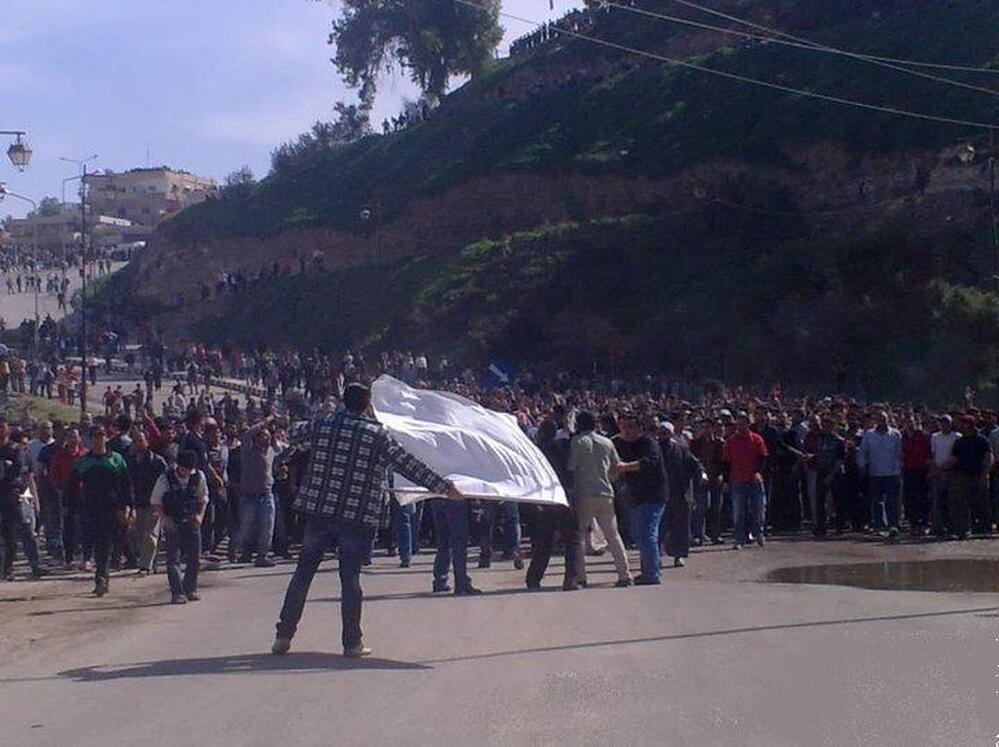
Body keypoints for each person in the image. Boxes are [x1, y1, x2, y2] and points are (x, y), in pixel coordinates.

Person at [273, 383, 463, 658]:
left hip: (319, 511)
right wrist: (444, 487)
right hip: (355, 515)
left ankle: (283, 635)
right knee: (349, 580)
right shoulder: (376, 435)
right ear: (367, 404)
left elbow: (292, 434)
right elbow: (408, 464)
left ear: (343, 401)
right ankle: (352, 643)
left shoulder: (324, 424)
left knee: (303, 574)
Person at [568, 411, 636, 587]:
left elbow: (571, 467)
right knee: (613, 535)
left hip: (584, 493)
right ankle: (625, 574)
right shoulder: (607, 442)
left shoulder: (578, 442)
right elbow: (616, 467)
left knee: (579, 537)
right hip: (606, 492)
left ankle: (581, 577)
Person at [64, 425, 133, 596]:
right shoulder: (83, 461)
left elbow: (126, 485)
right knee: (93, 542)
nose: (98, 439)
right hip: (89, 508)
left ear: (106, 438)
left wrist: (128, 506)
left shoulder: (116, 459)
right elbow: (71, 487)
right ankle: (102, 576)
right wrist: (67, 507)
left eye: (101, 435)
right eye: (95, 436)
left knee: (106, 543)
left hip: (111, 508)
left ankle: (101, 578)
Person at [526, 418, 583, 590]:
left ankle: (533, 578)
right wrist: (570, 426)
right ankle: (570, 580)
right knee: (572, 538)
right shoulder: (563, 446)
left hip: (546, 498)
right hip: (564, 495)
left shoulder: (537, 452)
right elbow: (574, 440)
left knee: (544, 540)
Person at [613, 413, 666, 584]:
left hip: (653, 494)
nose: (627, 430)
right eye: (623, 427)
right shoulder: (619, 443)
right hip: (635, 496)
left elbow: (651, 461)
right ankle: (651, 569)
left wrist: (626, 467)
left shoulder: (648, 443)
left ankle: (652, 574)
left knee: (647, 533)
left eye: (630, 426)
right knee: (638, 534)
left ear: (638, 428)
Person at [151, 451, 208, 603]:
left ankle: (190, 589)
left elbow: (203, 499)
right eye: (184, 469)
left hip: (192, 520)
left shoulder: (198, 477)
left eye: (189, 470)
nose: (186, 473)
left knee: (195, 558)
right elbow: (155, 501)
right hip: (173, 522)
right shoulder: (165, 478)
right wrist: (165, 519)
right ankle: (177, 592)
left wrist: (200, 516)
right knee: (173, 559)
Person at [0, 422, 48, 580]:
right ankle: (7, 567)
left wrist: (35, 500)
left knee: (27, 531)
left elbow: (28, 478)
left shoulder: (17, 452)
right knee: (9, 535)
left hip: (17, 495)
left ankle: (35, 565)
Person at [723, 412, 769, 550]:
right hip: (737, 480)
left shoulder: (756, 439)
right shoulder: (731, 441)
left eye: (743, 423)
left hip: (754, 480)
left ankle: (759, 533)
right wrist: (726, 481)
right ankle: (739, 538)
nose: (740, 426)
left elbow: (763, 457)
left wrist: (759, 473)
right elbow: (726, 462)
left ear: (748, 424)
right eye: (738, 424)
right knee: (738, 511)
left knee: (759, 509)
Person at [236, 419, 278, 567]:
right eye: (263, 436)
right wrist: (265, 422)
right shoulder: (249, 451)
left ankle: (262, 556)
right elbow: (247, 435)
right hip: (250, 496)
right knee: (247, 526)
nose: (266, 438)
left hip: (266, 494)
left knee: (268, 526)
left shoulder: (272, 451)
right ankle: (246, 552)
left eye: (268, 436)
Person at [857, 411, 903, 541]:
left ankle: (893, 525)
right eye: (879, 419)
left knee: (892, 501)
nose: (882, 421)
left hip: (892, 473)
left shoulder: (895, 434)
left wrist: (899, 469)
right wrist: (862, 466)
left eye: (884, 419)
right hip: (875, 472)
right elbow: (862, 452)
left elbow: (899, 453)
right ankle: (879, 526)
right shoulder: (869, 435)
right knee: (877, 501)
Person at [127, 430, 168, 576]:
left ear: (147, 442)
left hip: (153, 503)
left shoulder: (157, 461)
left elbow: (165, 482)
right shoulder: (130, 462)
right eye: (135, 440)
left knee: (150, 535)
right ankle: (151, 561)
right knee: (138, 535)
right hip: (137, 503)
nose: (138, 443)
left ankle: (145, 566)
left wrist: (162, 501)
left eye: (140, 440)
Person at [945, 415, 992, 539]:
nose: (960, 426)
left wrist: (985, 474)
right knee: (961, 504)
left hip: (978, 475)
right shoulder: (959, 441)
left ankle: (984, 528)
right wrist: (940, 468)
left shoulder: (981, 440)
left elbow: (988, 458)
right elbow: (954, 458)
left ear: (969, 425)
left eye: (962, 424)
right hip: (961, 476)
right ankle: (963, 530)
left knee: (982, 503)